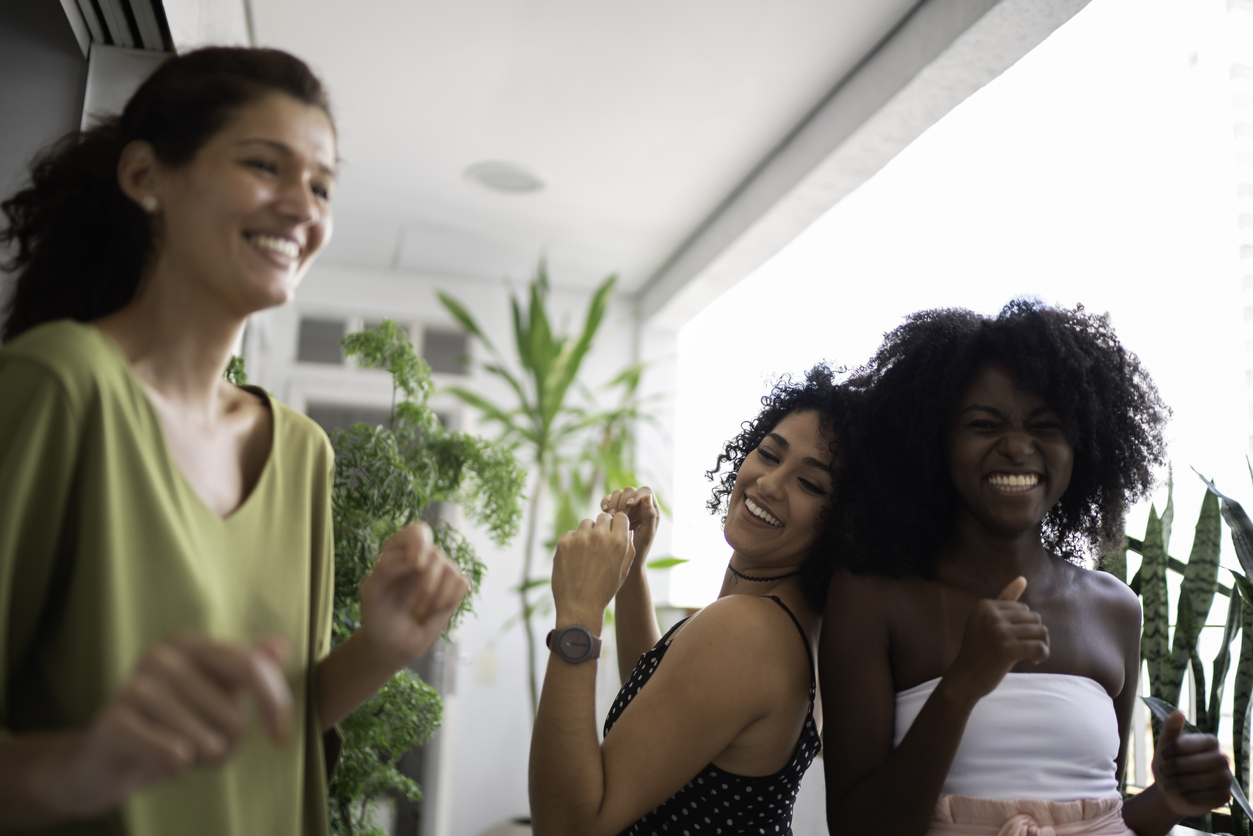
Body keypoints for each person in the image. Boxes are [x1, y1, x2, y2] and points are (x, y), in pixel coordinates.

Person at [0, 48, 468, 835]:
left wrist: (380, 650)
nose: (302, 206)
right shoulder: (60, 386)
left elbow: (273, 724)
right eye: (266, 165)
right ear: (146, 176)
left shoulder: (301, 453)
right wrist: (82, 767)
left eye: (321, 185)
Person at [820, 301, 1232, 836]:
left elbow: (1103, 818)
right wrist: (963, 683)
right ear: (933, 441)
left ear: (1080, 446)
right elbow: (858, 829)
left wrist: (1170, 800)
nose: (1017, 447)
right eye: (984, 424)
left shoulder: (1116, 607)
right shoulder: (871, 597)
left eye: (1046, 425)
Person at [529, 366, 846, 836]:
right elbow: (668, 701)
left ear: (844, 524)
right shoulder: (788, 618)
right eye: (769, 454)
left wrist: (579, 614)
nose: (769, 484)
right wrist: (633, 570)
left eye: (810, 484)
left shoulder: (748, 631)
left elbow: (567, 825)